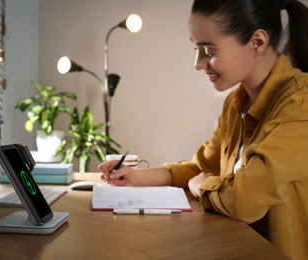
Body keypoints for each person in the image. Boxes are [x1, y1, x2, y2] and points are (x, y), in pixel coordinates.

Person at [99, 0, 308, 259]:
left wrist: (203, 187)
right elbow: (199, 168)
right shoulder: (236, 105)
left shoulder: (301, 103)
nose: (198, 63)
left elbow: (245, 197)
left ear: (257, 42)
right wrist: (132, 176)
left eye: (208, 51)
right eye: (196, 49)